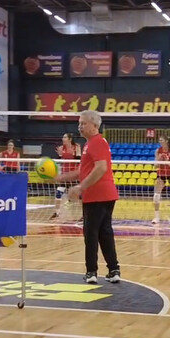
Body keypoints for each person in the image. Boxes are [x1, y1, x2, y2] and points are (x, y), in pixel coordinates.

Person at [55, 110, 120, 284]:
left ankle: (91, 272)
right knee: (105, 232)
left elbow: (101, 168)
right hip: (105, 194)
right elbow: (82, 171)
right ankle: (114, 270)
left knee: (91, 233)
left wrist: (80, 187)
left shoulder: (96, 142)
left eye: (83, 123)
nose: (80, 126)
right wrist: (60, 177)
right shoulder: (90, 144)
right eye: (79, 123)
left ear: (94, 125)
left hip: (97, 194)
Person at [51, 133, 81, 219]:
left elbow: (79, 160)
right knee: (58, 193)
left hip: (74, 176)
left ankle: (83, 214)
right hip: (65, 176)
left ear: (70, 139)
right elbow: (59, 161)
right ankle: (56, 212)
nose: (63, 139)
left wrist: (73, 154)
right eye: (63, 137)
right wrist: (60, 155)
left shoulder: (76, 147)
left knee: (79, 196)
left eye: (65, 137)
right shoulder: (61, 148)